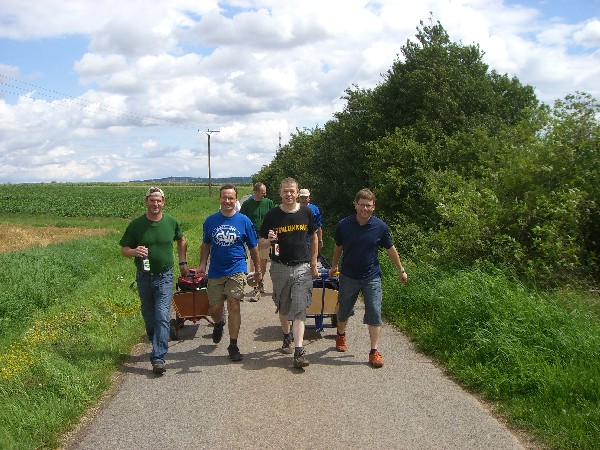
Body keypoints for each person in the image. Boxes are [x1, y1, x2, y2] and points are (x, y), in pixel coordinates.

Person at [328, 188, 408, 368]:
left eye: (369, 206)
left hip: (372, 276)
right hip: (349, 275)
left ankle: (374, 351)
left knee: (374, 311)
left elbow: (390, 248)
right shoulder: (344, 225)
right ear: (355, 205)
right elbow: (338, 246)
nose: (365, 209)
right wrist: (334, 265)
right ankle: (340, 334)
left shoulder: (380, 227)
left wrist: (401, 269)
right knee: (344, 310)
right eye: (362, 205)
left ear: (374, 207)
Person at [120, 187, 189, 375]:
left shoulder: (171, 222)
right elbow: (124, 249)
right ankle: (155, 338)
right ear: (146, 202)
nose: (155, 204)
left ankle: (158, 357)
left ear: (163, 202)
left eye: (158, 201)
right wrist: (134, 251)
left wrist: (182, 262)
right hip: (144, 276)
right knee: (149, 315)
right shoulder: (136, 225)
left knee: (161, 314)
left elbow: (182, 240)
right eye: (152, 200)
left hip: (165, 276)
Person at [197, 183, 262, 362]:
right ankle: (218, 323)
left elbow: (253, 246)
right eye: (224, 198)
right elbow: (206, 244)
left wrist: (257, 270)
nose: (227, 201)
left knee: (234, 304)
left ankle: (233, 345)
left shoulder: (244, 221)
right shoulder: (210, 221)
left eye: (231, 198)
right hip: (216, 270)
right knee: (215, 308)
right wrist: (202, 264)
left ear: (236, 200)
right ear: (219, 199)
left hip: (237, 268)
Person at [259, 177, 318, 369]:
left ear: (297, 192)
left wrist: (314, 263)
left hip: (302, 267)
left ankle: (299, 351)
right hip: (279, 266)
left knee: (300, 307)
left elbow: (314, 237)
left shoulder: (306, 212)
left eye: (292, 191)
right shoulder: (273, 215)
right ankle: (286, 335)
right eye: (285, 191)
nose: (289, 194)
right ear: (280, 193)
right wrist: (269, 241)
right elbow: (261, 244)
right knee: (283, 306)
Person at [240, 182, 275, 297]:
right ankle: (256, 285)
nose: (264, 194)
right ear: (255, 192)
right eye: (262, 192)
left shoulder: (269, 203)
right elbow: (241, 220)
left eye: (265, 192)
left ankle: (260, 281)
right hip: (251, 238)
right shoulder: (247, 204)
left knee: (263, 262)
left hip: (264, 237)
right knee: (254, 262)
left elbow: (275, 218)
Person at [298, 188, 324, 254]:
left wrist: (320, 240)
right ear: (298, 198)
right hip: (298, 242)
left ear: (309, 198)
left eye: (305, 197)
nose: (304, 200)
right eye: (302, 198)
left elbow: (319, 226)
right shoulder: (294, 209)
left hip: (311, 241)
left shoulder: (314, 209)